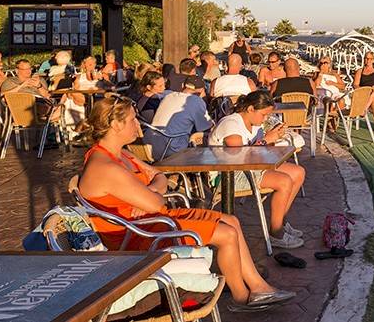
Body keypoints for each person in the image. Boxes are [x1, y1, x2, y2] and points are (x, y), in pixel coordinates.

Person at [78, 96, 294, 311]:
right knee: (226, 234)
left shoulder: (121, 155)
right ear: (116, 124)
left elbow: (159, 175)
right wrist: (152, 192)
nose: (139, 125)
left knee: (231, 221)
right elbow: (155, 201)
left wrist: (150, 189)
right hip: (138, 234)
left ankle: (258, 287)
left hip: (152, 220)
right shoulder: (105, 166)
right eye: (134, 120)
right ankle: (241, 298)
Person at [209, 91, 306, 249]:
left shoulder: (255, 124)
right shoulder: (231, 124)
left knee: (298, 173)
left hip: (248, 168)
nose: (265, 119)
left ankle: (280, 221)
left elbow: (256, 152)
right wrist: (266, 140)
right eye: (264, 115)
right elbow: (239, 158)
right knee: (284, 182)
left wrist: (273, 137)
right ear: (250, 109)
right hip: (228, 176)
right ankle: (276, 233)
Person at [143, 85, 212, 161]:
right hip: (170, 148)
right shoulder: (196, 101)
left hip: (148, 145)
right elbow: (206, 127)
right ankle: (208, 170)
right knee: (206, 137)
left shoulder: (169, 96)